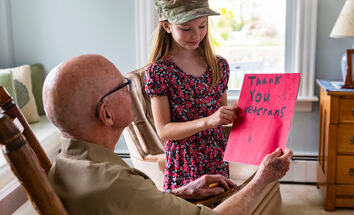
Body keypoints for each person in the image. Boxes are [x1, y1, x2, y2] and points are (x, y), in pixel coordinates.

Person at [43, 54, 292, 215]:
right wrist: (264, 176)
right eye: (123, 86)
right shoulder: (117, 184)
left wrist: (182, 192)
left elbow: (136, 205)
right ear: (106, 115)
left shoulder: (63, 168)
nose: (131, 91)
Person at [145, 0, 237, 190]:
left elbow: (221, 120)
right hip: (184, 164)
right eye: (186, 28)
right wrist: (209, 121)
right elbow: (164, 130)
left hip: (217, 157)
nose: (196, 35)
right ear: (167, 26)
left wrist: (234, 113)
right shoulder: (159, 72)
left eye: (202, 26)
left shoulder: (219, 65)